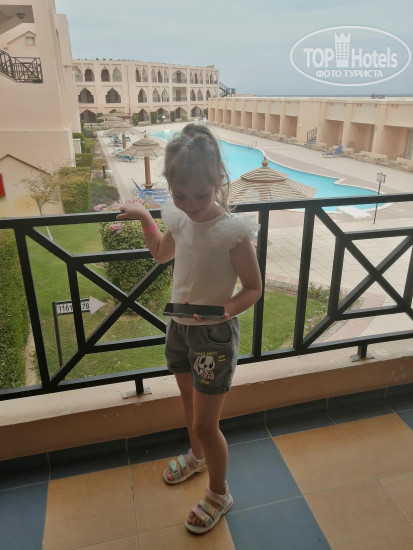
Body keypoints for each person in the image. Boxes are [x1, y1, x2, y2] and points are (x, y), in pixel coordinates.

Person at [116, 124, 262, 534]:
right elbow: (161, 254)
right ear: (171, 188)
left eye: (201, 194)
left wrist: (224, 310)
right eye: (181, 195)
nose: (191, 204)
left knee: (204, 423)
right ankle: (197, 458)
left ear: (218, 181)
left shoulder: (232, 232)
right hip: (179, 329)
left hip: (213, 338)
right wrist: (145, 216)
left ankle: (219, 492)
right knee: (187, 403)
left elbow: (253, 288)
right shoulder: (179, 219)